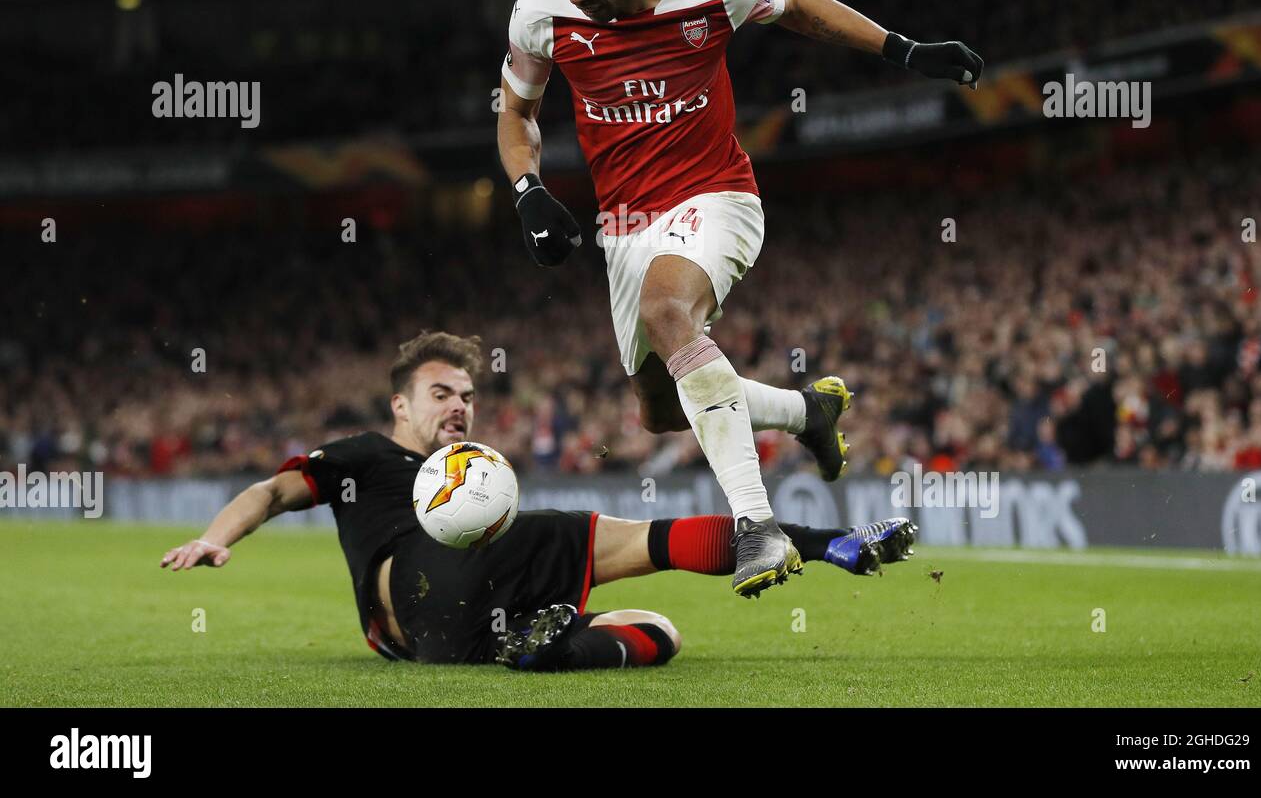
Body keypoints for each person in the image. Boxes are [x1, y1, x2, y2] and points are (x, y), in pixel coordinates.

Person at [497, 0, 977, 596]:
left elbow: (798, 7)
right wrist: (527, 191)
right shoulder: (539, 13)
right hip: (623, 226)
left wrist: (903, 49)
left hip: (714, 195)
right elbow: (516, 114)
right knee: (661, 409)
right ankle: (806, 409)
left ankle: (758, 526)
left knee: (668, 312)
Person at [160, 330, 918, 671]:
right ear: (399, 404)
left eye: (466, 393)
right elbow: (270, 489)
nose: (458, 405)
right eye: (439, 392)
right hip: (416, 590)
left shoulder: (478, 473)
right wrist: (213, 534)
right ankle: (826, 541)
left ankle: (549, 651)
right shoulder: (366, 455)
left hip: (460, 636)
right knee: (626, 538)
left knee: (661, 631)